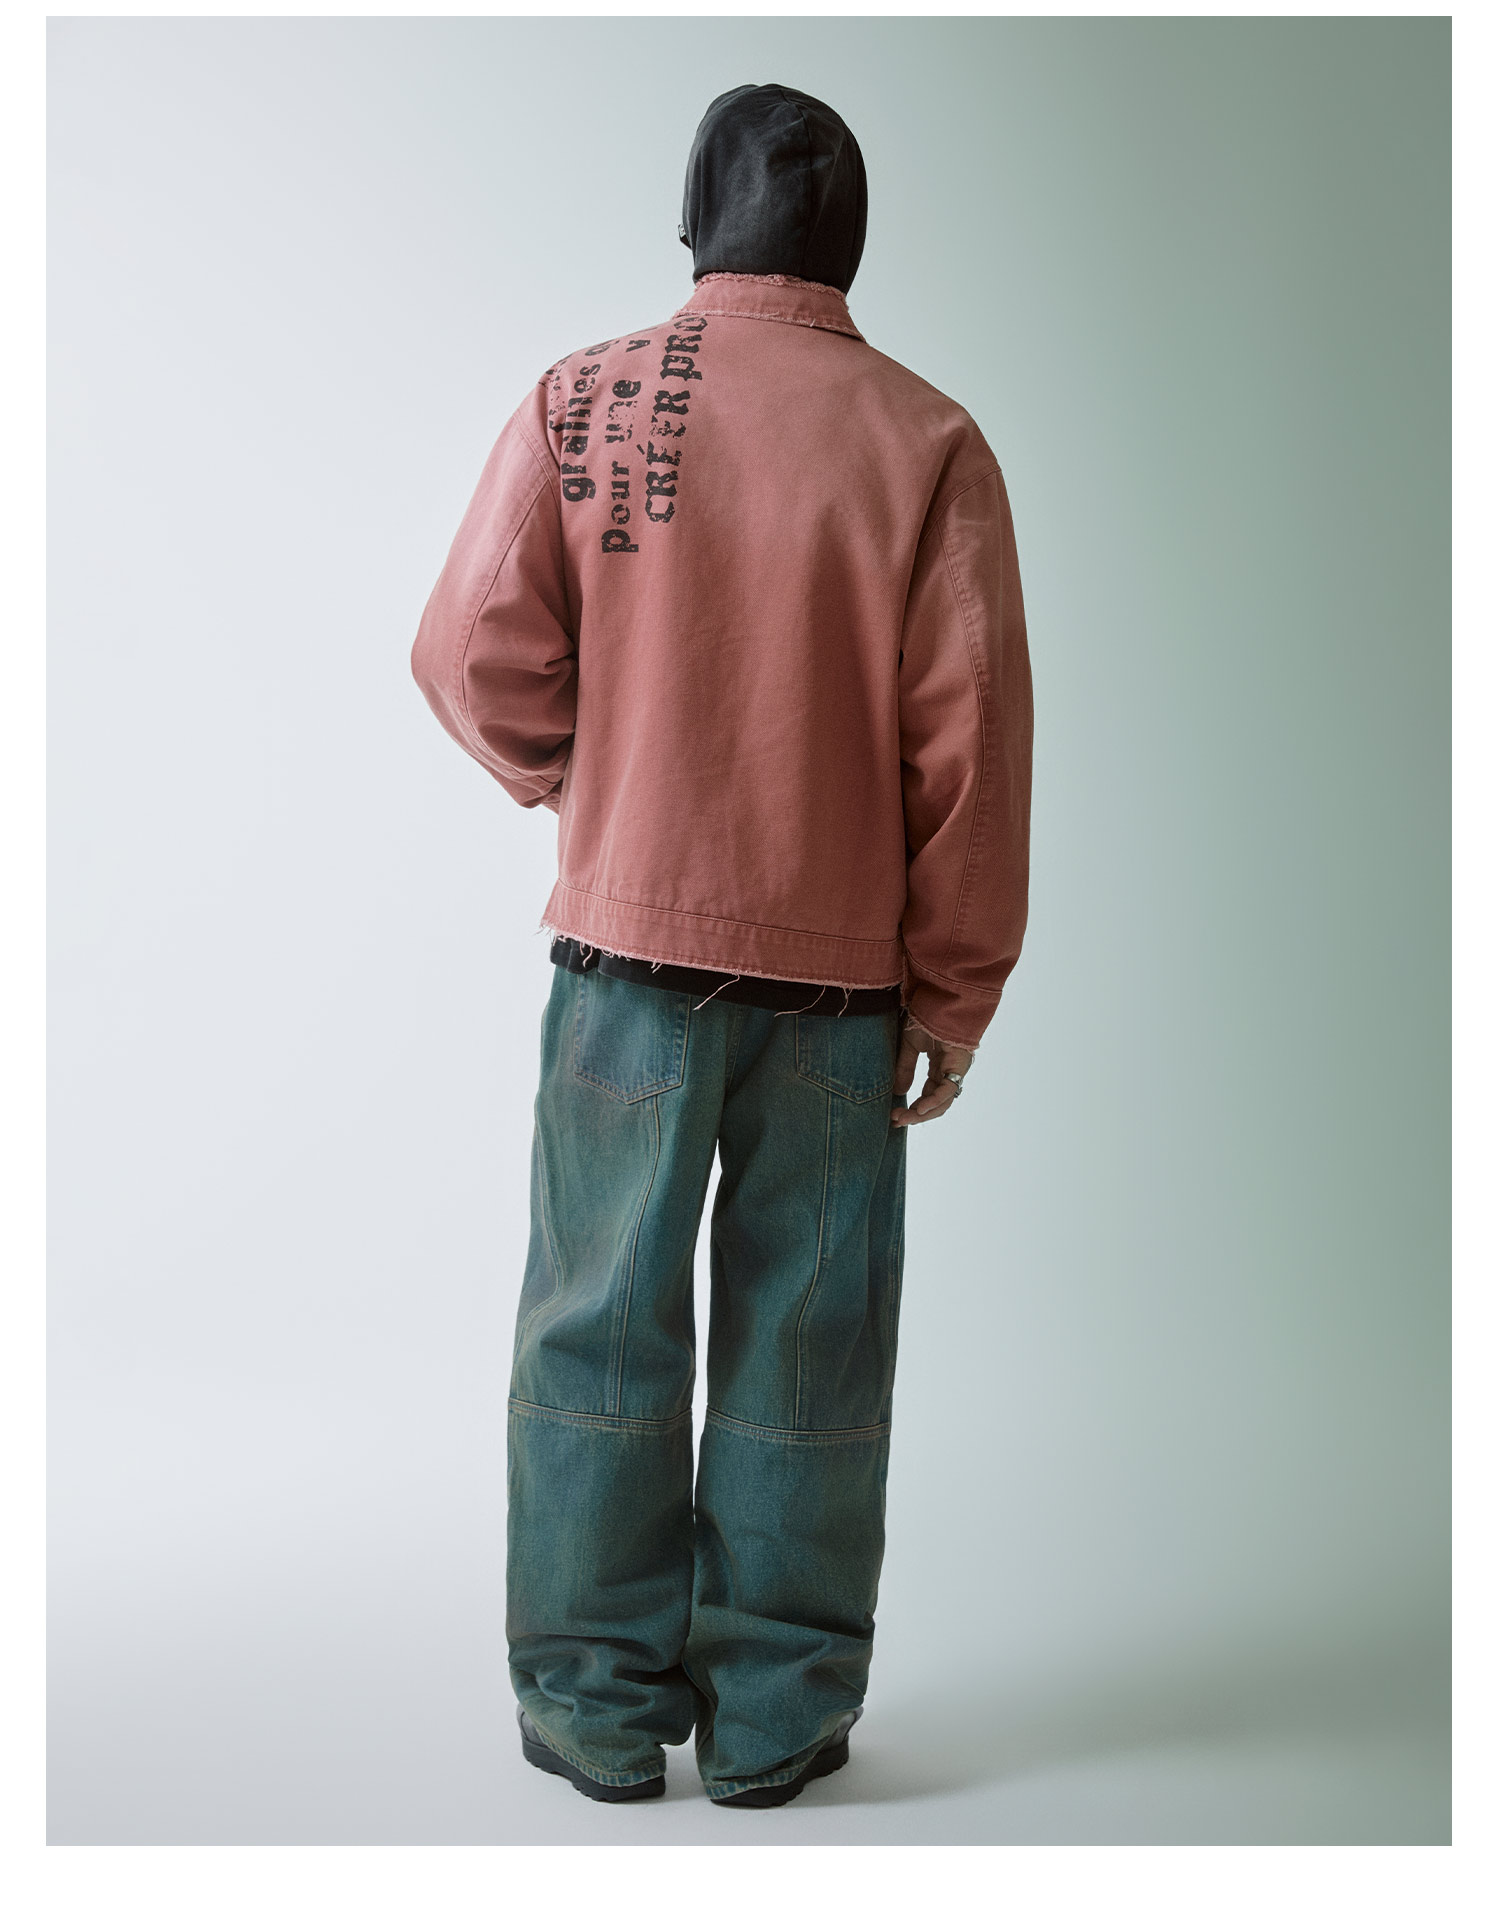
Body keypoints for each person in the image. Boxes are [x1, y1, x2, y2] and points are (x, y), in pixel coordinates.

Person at [411, 81, 1033, 1809]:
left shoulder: (585, 394)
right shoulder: (928, 439)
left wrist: (586, 782)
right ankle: (773, 1717)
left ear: (697, 221)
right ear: (850, 243)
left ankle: (592, 1704)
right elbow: (970, 748)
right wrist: (956, 988)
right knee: (809, 1344)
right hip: (842, 989)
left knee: (594, 1327)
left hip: (623, 955)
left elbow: (467, 650)